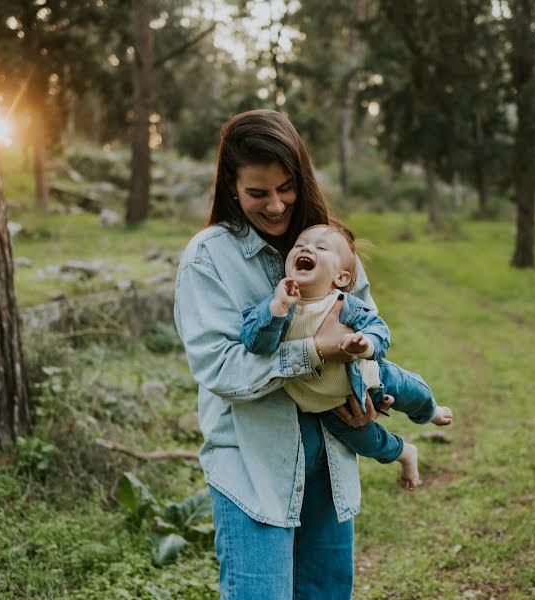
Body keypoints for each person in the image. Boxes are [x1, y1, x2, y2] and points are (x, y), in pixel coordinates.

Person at [174, 109, 386, 599]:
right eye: (257, 192)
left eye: (286, 187)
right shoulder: (208, 258)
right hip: (253, 467)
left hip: (330, 459)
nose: (275, 205)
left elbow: (369, 325)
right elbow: (219, 367)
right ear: (231, 187)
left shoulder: (330, 244)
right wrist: (310, 351)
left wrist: (373, 392)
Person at [238, 222, 453, 490]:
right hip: (329, 405)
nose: (306, 248)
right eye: (300, 245)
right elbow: (255, 343)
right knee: (367, 442)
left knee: (410, 390)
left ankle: (430, 410)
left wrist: (365, 345)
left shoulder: (343, 304)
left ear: (340, 278)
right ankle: (404, 453)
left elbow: (378, 329)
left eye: (321, 247)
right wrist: (277, 309)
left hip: (370, 378)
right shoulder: (277, 303)